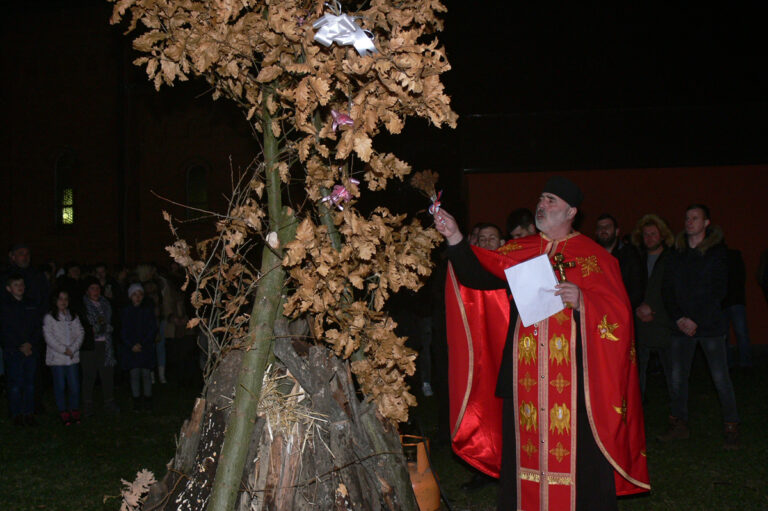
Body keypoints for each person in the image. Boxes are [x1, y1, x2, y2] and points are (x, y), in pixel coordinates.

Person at [436, 176, 649, 510]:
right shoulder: (519, 250)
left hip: (578, 382)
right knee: (522, 457)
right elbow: (476, 275)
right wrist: (454, 236)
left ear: (571, 211)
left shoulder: (595, 257)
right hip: (524, 379)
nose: (542, 205)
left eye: (551, 200)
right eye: (541, 199)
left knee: (583, 462)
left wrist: (584, 301)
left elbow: (620, 316)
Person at [660, 204, 739, 449]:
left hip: (709, 327)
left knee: (720, 377)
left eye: (695, 218)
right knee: (677, 378)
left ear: (706, 223)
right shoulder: (676, 253)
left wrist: (696, 319)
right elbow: (667, 289)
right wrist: (679, 318)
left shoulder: (717, 253)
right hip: (681, 327)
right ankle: (679, 424)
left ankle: (731, 426)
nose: (689, 222)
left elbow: (718, 291)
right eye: (687, 218)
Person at [630, 214, 676, 399]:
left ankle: (678, 409)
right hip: (640, 322)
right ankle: (638, 407)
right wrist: (637, 307)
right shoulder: (637, 259)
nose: (649, 238)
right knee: (637, 371)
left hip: (665, 323)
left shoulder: (671, 259)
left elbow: (673, 290)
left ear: (662, 235)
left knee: (673, 372)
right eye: (646, 234)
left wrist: (654, 310)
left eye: (653, 234)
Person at [1, 274, 41, 426]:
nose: (20, 287)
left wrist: (30, 343)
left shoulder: (31, 304)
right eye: (16, 284)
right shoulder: (4, 306)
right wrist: (20, 345)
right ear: (8, 288)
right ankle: (16, 413)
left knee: (30, 383)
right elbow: (5, 330)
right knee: (15, 384)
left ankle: (28, 412)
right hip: (13, 350)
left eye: (22, 284)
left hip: (30, 350)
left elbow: (37, 326)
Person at [43, 290, 85, 425]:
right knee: (60, 386)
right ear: (55, 300)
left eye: (66, 299)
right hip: (57, 358)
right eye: (60, 299)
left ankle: (74, 409)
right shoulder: (49, 318)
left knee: (74, 386)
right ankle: (63, 410)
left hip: (72, 358)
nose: (63, 302)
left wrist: (72, 348)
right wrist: (63, 349)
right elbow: (49, 337)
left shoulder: (73, 316)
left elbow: (80, 333)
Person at [81, 276, 119, 416]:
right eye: (92, 288)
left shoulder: (106, 304)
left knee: (107, 374)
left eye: (97, 288)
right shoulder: (83, 306)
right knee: (89, 375)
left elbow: (112, 323)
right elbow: (88, 327)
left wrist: (104, 328)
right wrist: (101, 328)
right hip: (90, 346)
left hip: (106, 345)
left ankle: (109, 402)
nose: (95, 291)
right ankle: (87, 404)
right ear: (87, 291)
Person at [595, 214, 644, 309]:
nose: (603, 230)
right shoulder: (590, 255)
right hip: (598, 308)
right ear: (596, 232)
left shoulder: (630, 255)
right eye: (600, 227)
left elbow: (637, 289)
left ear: (617, 231)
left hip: (622, 308)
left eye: (607, 227)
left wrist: (621, 307)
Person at [121, 284, 158, 411]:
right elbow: (123, 331)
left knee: (146, 373)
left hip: (145, 347)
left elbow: (152, 329)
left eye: (140, 294)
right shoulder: (126, 312)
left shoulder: (147, 311)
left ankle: (148, 399)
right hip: (132, 349)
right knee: (134, 373)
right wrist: (131, 345)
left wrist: (143, 343)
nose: (137, 297)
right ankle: (136, 400)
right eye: (135, 295)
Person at [722, 247, 752, 368]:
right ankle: (744, 362)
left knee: (728, 334)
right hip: (734, 300)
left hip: (727, 301)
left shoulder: (719, 258)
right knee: (740, 333)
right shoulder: (734, 256)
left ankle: (732, 363)